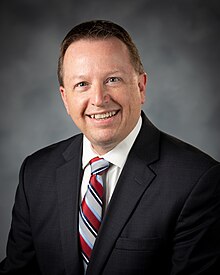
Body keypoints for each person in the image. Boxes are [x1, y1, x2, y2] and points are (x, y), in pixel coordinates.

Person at [0, 20, 220, 275]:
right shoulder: (36, 173)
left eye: (113, 79)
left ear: (140, 87)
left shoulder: (198, 181)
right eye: (82, 84)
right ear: (65, 98)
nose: (98, 100)